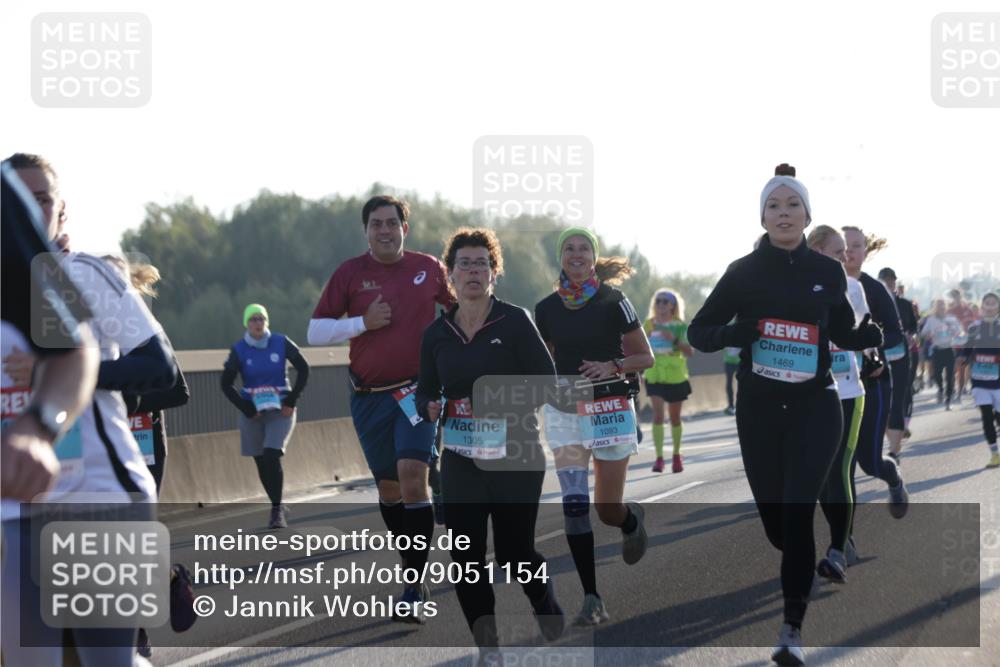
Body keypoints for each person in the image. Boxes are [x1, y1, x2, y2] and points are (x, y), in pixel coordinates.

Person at [689, 164, 883, 665]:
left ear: (806, 214)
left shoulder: (826, 271)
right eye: (773, 206)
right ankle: (794, 558)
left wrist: (867, 339)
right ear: (763, 216)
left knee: (797, 515)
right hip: (758, 408)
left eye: (792, 205)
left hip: (815, 404)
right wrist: (738, 333)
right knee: (778, 524)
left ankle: (791, 630)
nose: (783, 213)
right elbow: (700, 331)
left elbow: (841, 327)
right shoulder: (743, 272)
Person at [3, 152, 176, 667]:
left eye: (41, 200)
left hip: (95, 495)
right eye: (21, 200)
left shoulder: (82, 274)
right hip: (17, 509)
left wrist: (42, 412)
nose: (30, 211)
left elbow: (161, 369)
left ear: (62, 211)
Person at [415, 228, 563, 663]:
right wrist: (428, 406)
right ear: (450, 274)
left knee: (516, 553)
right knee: (466, 555)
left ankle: (542, 599)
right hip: (460, 456)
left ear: (494, 272)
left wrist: (499, 400)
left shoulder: (514, 321)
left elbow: (547, 383)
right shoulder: (436, 334)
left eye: (482, 263)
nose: (473, 271)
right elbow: (425, 389)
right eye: (465, 264)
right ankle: (489, 647)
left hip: (515, 453)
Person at [308, 195, 453, 620]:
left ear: (404, 229)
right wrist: (361, 324)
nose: (385, 231)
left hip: (416, 393)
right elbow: (315, 333)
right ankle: (414, 569)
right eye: (376, 224)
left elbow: (459, 308)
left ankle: (412, 585)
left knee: (412, 480)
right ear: (366, 230)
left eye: (392, 223)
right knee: (390, 493)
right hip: (369, 398)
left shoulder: (428, 268)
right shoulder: (350, 273)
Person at [534, 226, 653, 627]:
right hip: (564, 410)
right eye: (569, 248)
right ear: (561, 257)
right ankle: (592, 597)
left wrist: (612, 365)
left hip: (609, 406)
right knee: (573, 502)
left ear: (593, 256)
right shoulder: (546, 308)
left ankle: (629, 520)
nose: (577, 254)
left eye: (584, 248)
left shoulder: (613, 300)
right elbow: (546, 361)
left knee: (605, 508)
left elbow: (646, 357)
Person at [1, 161, 98, 502]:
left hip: (85, 490)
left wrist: (37, 427)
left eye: (42, 199)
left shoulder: (4, 199)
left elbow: (76, 350)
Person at [806, 226, 869, 583]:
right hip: (811, 395)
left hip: (847, 391)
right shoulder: (793, 287)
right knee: (817, 480)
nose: (844, 258)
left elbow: (860, 334)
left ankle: (837, 548)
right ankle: (842, 536)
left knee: (839, 470)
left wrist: (869, 351)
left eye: (847, 251)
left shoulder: (853, 288)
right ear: (815, 250)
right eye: (837, 251)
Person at [841, 226, 909, 521]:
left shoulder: (874, 289)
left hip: (873, 381)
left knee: (868, 462)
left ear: (865, 252)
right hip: (834, 385)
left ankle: (893, 479)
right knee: (842, 464)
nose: (849, 252)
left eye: (856, 246)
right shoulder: (821, 286)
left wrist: (875, 350)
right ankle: (843, 539)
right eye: (843, 246)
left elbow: (896, 334)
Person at [221, 304, 309, 529]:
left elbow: (304, 368)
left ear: (266, 322)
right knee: (260, 460)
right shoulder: (239, 350)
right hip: (253, 413)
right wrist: (245, 407)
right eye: (253, 320)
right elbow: (225, 384)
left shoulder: (280, 342)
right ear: (246, 324)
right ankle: (275, 504)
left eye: (261, 319)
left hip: (281, 410)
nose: (258, 324)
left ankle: (277, 510)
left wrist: (292, 400)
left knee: (272, 455)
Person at [642, 289, 693, 472]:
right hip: (654, 374)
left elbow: (689, 352)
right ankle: (659, 458)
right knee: (657, 415)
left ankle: (677, 455)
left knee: (675, 418)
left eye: (665, 301)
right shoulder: (649, 324)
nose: (661, 305)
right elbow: (640, 347)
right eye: (658, 301)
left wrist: (673, 341)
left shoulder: (679, 326)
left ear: (673, 305)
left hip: (675, 375)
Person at [877, 267, 917, 461]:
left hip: (901, 354)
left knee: (898, 398)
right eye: (885, 279)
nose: (889, 282)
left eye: (891, 280)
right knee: (881, 399)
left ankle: (894, 450)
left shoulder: (904, 304)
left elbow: (913, 326)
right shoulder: (872, 300)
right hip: (879, 355)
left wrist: (911, 335)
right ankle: (886, 440)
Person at [959, 293, 1000, 468]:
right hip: (980, 380)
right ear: (982, 306)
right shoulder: (974, 327)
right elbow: (967, 349)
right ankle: (994, 454)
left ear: (998, 306)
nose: (990, 306)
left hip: (998, 382)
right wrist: (963, 357)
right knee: (986, 417)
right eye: (987, 303)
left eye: (993, 303)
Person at [920, 299, 963, 409]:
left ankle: (948, 400)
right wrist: (928, 335)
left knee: (950, 376)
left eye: (943, 305)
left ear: (946, 307)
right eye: (939, 305)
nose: (941, 307)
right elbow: (923, 333)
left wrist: (955, 332)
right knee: (937, 375)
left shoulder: (951, 319)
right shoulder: (931, 320)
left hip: (949, 349)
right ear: (935, 307)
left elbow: (959, 331)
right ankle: (940, 389)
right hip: (937, 350)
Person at [947, 289, 976, 400]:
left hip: (964, 344)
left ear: (960, 296)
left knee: (962, 368)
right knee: (953, 369)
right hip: (951, 344)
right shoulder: (949, 311)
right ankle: (952, 388)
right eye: (953, 296)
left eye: (957, 296)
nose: (956, 298)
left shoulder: (967, 310)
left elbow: (973, 327)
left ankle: (959, 392)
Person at [723, 340, 740, 416]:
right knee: (729, 384)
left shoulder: (741, 328)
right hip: (728, 361)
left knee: (742, 383)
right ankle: (731, 405)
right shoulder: (725, 327)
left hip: (740, 361)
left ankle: (741, 403)